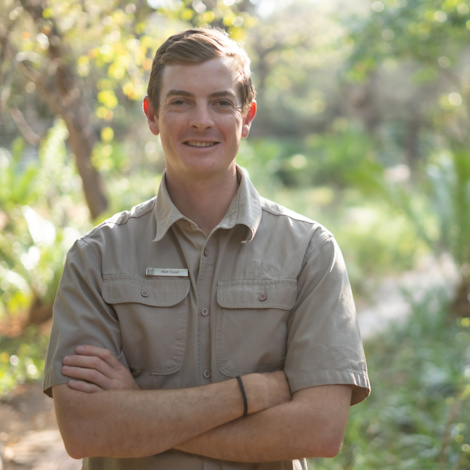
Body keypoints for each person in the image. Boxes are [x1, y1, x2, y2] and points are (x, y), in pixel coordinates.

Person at [44, 27, 370, 470]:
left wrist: (141, 415)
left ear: (247, 116)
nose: (201, 120)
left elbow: (319, 430)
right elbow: (86, 430)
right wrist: (248, 394)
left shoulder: (311, 252)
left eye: (220, 102)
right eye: (181, 102)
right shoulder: (96, 257)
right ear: (152, 115)